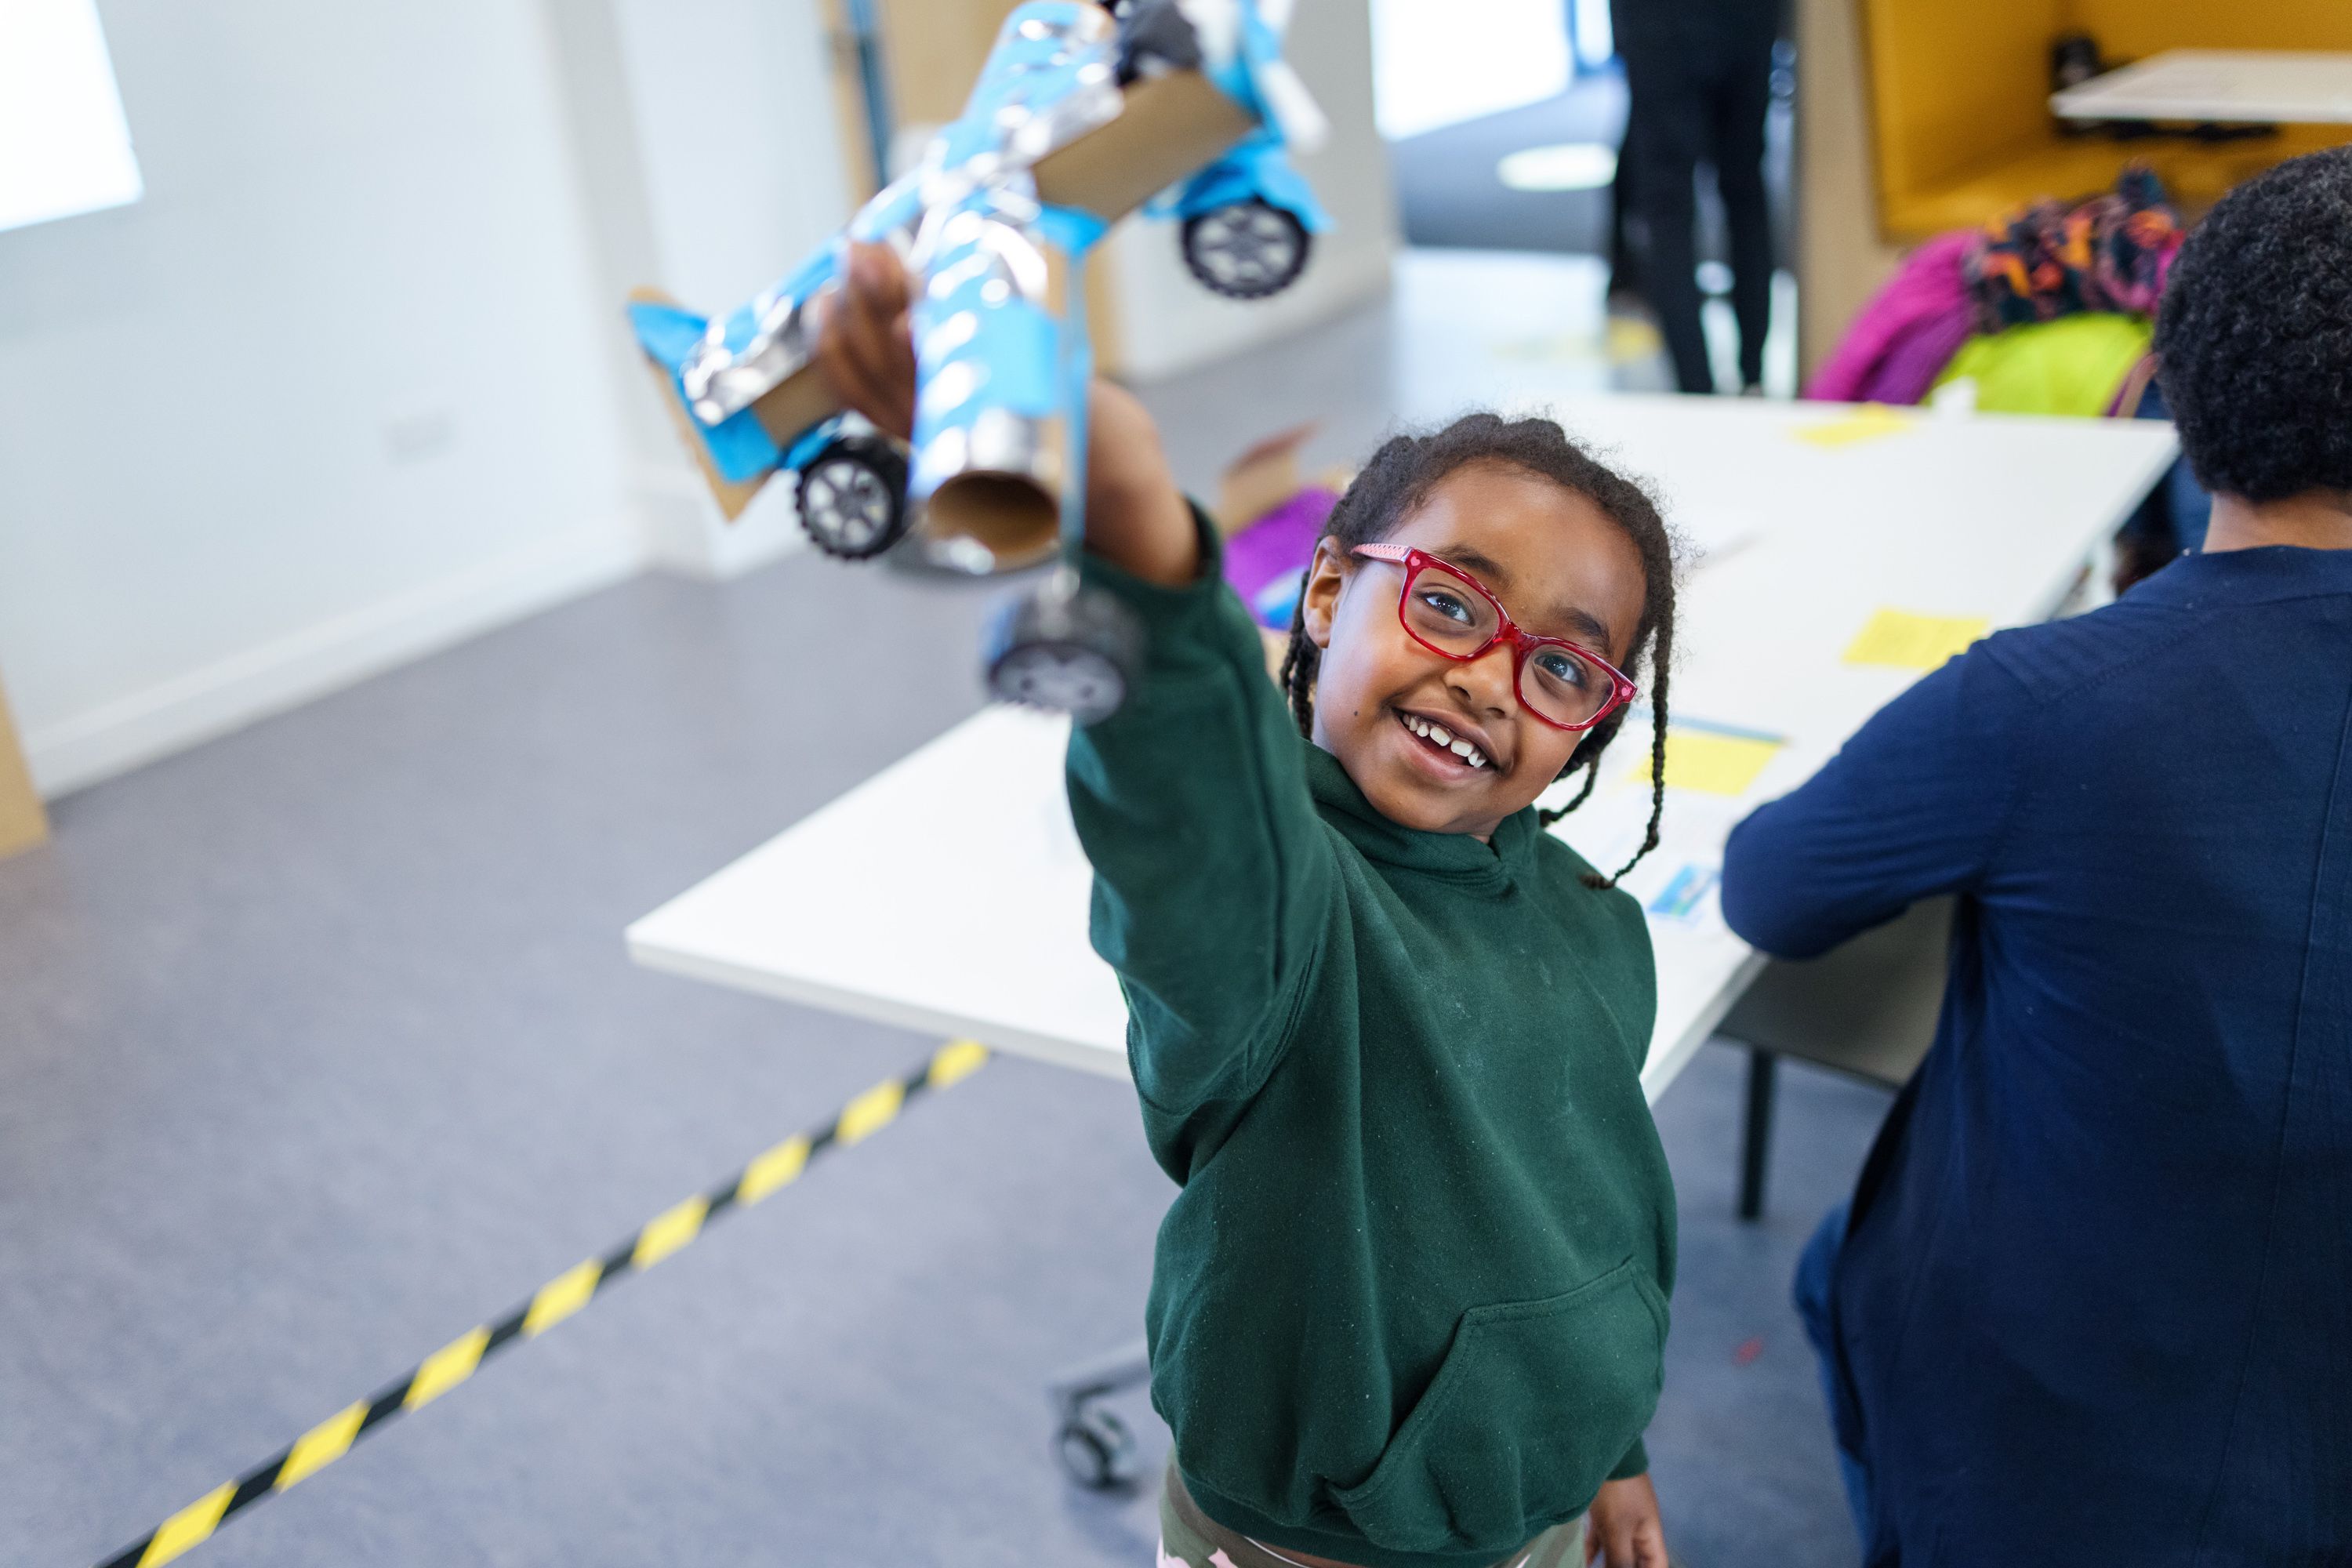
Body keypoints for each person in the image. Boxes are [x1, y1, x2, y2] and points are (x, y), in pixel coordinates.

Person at [818, 244, 1685, 1568]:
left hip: (1540, 1510)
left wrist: (1606, 1452)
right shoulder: (1288, 919)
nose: (1491, 681)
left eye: (1564, 667)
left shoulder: (1592, 923)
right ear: (1327, 592)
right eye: (1450, 602)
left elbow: (1587, 1216)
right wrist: (1126, 511)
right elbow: (1194, 807)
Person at [1719, 146, 2352, 1565]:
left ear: (2175, 395)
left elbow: (1773, 885)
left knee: (1844, 1272)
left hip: (2038, 1447)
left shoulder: (2042, 701)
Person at [1610, 0, 1777, 394]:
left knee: (1671, 209)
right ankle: (1752, 377)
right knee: (1745, 193)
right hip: (1744, 21)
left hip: (1661, 24)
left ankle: (1698, 389)